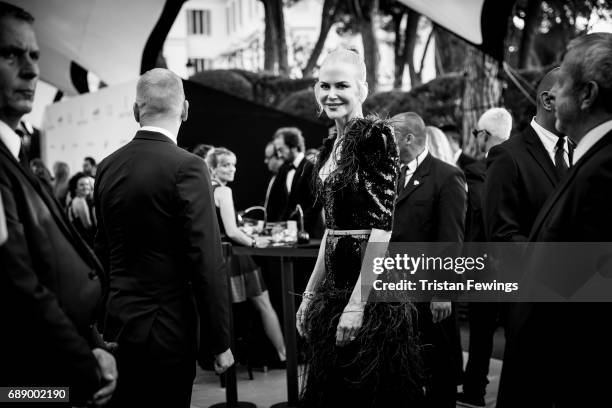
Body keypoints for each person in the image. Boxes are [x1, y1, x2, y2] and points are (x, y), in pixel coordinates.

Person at [94, 68, 233, 408]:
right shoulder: (189, 167)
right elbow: (206, 258)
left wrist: (100, 323)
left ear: (135, 111)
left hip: (116, 325)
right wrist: (219, 340)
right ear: (184, 109)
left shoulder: (106, 167)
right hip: (167, 330)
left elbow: (102, 250)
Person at [0, 2, 116, 406]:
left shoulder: (15, 156)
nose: (31, 69)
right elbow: (15, 284)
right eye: (10, 54)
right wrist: (85, 366)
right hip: (27, 386)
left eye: (34, 55)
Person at [295, 48, 423, 407]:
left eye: (341, 85)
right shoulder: (328, 147)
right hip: (333, 290)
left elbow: (382, 229)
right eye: (323, 85)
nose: (331, 94)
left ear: (362, 90)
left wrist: (357, 305)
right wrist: (309, 295)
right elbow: (331, 232)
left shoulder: (376, 137)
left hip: (367, 292)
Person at [497, 33, 612, 408]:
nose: (551, 95)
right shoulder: (591, 160)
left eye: (562, 83)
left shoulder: (602, 170)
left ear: (587, 94)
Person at [391, 112, 467, 408]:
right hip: (395, 291)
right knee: (403, 371)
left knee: (439, 373)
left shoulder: (447, 176)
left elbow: (451, 240)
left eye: (391, 135)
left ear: (408, 138)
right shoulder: (390, 176)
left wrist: (443, 291)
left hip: (431, 293)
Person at [457, 106, 515, 407]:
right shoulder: (525, 164)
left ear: (484, 135)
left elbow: (473, 222)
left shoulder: (476, 172)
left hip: (484, 263)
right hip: (518, 261)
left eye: (476, 133)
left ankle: (475, 390)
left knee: (481, 332)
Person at [206, 147, 287, 363]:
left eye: (234, 164)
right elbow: (231, 231)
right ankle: (283, 355)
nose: (232, 169)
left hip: (216, 258)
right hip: (235, 257)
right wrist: (255, 242)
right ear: (213, 168)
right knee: (264, 305)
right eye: (226, 165)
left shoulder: (204, 189)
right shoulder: (223, 191)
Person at [271, 127, 324, 238]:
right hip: (291, 235)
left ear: (294, 147)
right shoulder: (283, 169)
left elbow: (315, 205)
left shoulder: (312, 168)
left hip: (311, 234)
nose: (279, 155)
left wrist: (295, 227)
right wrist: (281, 225)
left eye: (281, 150)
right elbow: (284, 203)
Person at [67, 171, 97, 247]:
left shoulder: (74, 200)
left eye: (87, 184)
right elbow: (88, 226)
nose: (85, 187)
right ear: (75, 188)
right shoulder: (80, 201)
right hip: (84, 243)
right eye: (81, 185)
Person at [263, 140, 284, 212]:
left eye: (268, 157)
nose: (265, 161)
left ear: (279, 156)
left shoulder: (286, 178)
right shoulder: (273, 177)